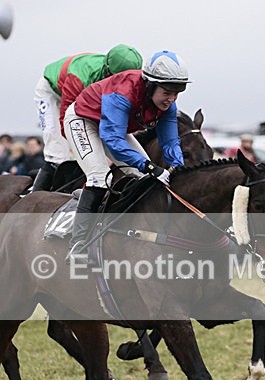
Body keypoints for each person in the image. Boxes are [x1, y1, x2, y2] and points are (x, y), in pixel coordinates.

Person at [64, 49, 190, 263]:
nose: (172, 98)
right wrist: (150, 166)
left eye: (177, 92)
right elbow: (112, 139)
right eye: (167, 91)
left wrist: (179, 167)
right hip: (83, 121)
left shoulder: (169, 105)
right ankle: (78, 244)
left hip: (113, 128)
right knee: (99, 176)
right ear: (150, 84)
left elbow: (170, 142)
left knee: (144, 180)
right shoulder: (123, 91)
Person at [31, 44, 143, 192]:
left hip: (78, 90)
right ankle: (33, 197)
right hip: (51, 92)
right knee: (57, 153)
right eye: (119, 79)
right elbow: (68, 124)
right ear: (107, 71)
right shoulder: (80, 78)